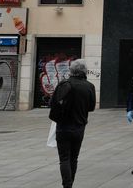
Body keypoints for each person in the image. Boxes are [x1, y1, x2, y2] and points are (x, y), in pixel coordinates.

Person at [49, 59, 96, 188]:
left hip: (63, 127)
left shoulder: (64, 84)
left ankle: (67, 185)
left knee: (64, 158)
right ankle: (70, 183)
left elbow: (52, 103)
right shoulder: (89, 86)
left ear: (71, 70)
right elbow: (91, 107)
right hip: (79, 127)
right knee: (74, 158)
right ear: (84, 71)